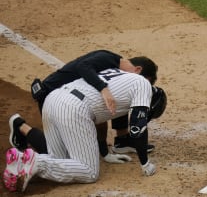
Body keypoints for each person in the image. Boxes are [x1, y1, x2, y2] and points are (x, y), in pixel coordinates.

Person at [3, 68, 167, 192]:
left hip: (53, 99)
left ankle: (18, 161)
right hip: (73, 108)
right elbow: (138, 129)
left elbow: (101, 116)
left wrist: (105, 153)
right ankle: (36, 161)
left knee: (61, 161)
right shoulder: (144, 86)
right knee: (89, 172)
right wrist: (145, 164)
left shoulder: (119, 75)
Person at [9, 50, 157, 161]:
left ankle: (122, 139)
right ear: (138, 70)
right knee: (61, 157)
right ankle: (20, 126)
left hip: (70, 100)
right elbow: (83, 66)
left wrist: (104, 152)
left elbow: (105, 111)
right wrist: (103, 88)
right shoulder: (108, 58)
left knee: (115, 99)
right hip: (51, 96)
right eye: (145, 81)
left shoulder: (116, 71)